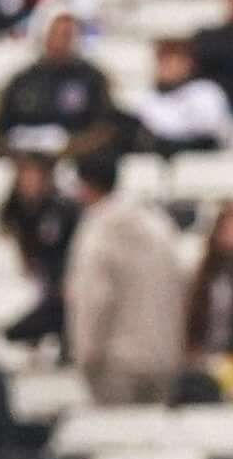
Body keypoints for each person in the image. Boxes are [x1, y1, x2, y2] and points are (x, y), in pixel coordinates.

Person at [63, 146, 189, 409]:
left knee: (119, 440)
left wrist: (85, 355)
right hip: (164, 357)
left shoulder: (97, 231)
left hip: (115, 364)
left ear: (85, 186)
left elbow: (94, 298)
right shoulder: (158, 224)